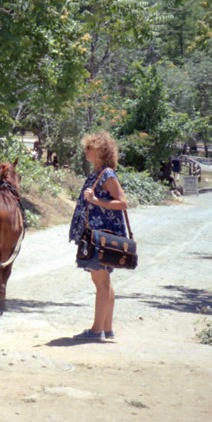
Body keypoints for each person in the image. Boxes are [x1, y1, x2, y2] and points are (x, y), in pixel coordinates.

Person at [68, 131, 129, 341]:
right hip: (95, 236)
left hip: (101, 237)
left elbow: (122, 203)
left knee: (101, 282)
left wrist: (96, 201)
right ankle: (107, 328)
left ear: (101, 151)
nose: (85, 151)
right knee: (105, 281)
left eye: (89, 148)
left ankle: (96, 331)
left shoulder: (107, 175)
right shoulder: (98, 173)